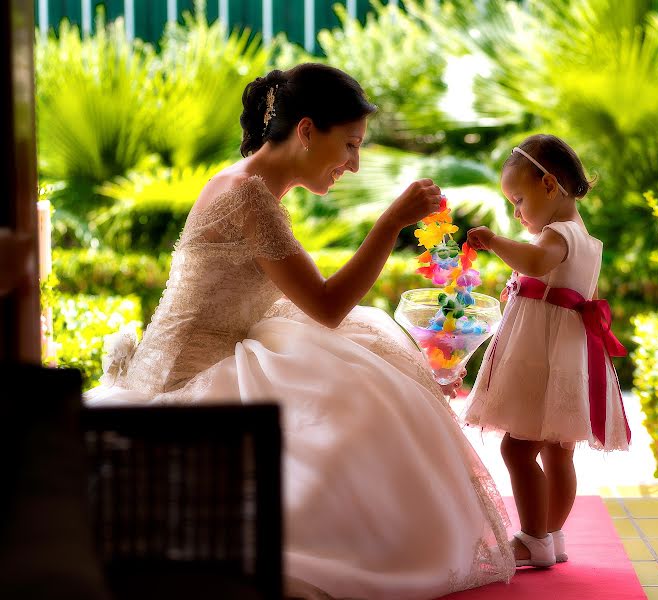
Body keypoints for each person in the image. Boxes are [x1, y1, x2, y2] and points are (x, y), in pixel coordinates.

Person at [85, 63, 514, 599]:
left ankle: (378, 531)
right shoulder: (251, 198)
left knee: (360, 380)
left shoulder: (247, 183)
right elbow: (328, 306)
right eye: (351, 146)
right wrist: (389, 223)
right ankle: (378, 543)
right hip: (189, 378)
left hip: (216, 345)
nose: (354, 165)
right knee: (357, 400)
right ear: (307, 130)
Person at [463, 134, 631, 569]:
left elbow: (536, 264)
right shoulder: (582, 235)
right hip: (563, 353)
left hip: (543, 356)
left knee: (517, 451)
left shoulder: (557, 234)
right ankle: (550, 535)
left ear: (550, 186)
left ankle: (534, 536)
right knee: (559, 451)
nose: (516, 212)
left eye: (519, 200)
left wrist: (494, 242)